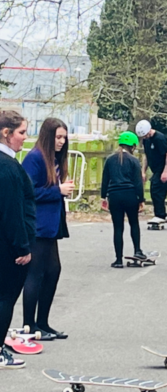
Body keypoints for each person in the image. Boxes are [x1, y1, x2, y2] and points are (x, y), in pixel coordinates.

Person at [21, 118, 73, 340]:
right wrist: (57, 191)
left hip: (51, 226)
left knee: (53, 272)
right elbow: (28, 192)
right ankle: (29, 325)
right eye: (58, 137)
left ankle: (43, 322)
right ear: (47, 136)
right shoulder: (34, 158)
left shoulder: (54, 159)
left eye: (64, 137)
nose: (61, 141)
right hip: (37, 226)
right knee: (36, 274)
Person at [0, 111, 35, 369]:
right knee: (5, 297)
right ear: (6, 133)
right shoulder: (9, 168)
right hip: (8, 246)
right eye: (21, 132)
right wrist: (22, 246)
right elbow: (13, 211)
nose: (25, 138)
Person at [101, 131, 147, 269]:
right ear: (133, 146)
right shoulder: (133, 161)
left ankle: (118, 260)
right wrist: (141, 199)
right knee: (134, 223)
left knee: (118, 228)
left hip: (114, 196)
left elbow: (105, 180)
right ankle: (137, 250)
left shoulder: (109, 159)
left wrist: (103, 197)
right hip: (130, 195)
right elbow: (138, 182)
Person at [135, 120, 167, 224]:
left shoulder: (159, 138)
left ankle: (160, 215)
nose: (145, 137)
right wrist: (143, 172)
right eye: (143, 136)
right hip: (156, 168)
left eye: (146, 135)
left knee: (156, 190)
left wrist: (165, 172)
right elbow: (146, 157)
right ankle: (159, 214)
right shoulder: (146, 140)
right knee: (155, 190)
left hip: (165, 167)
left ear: (149, 130)